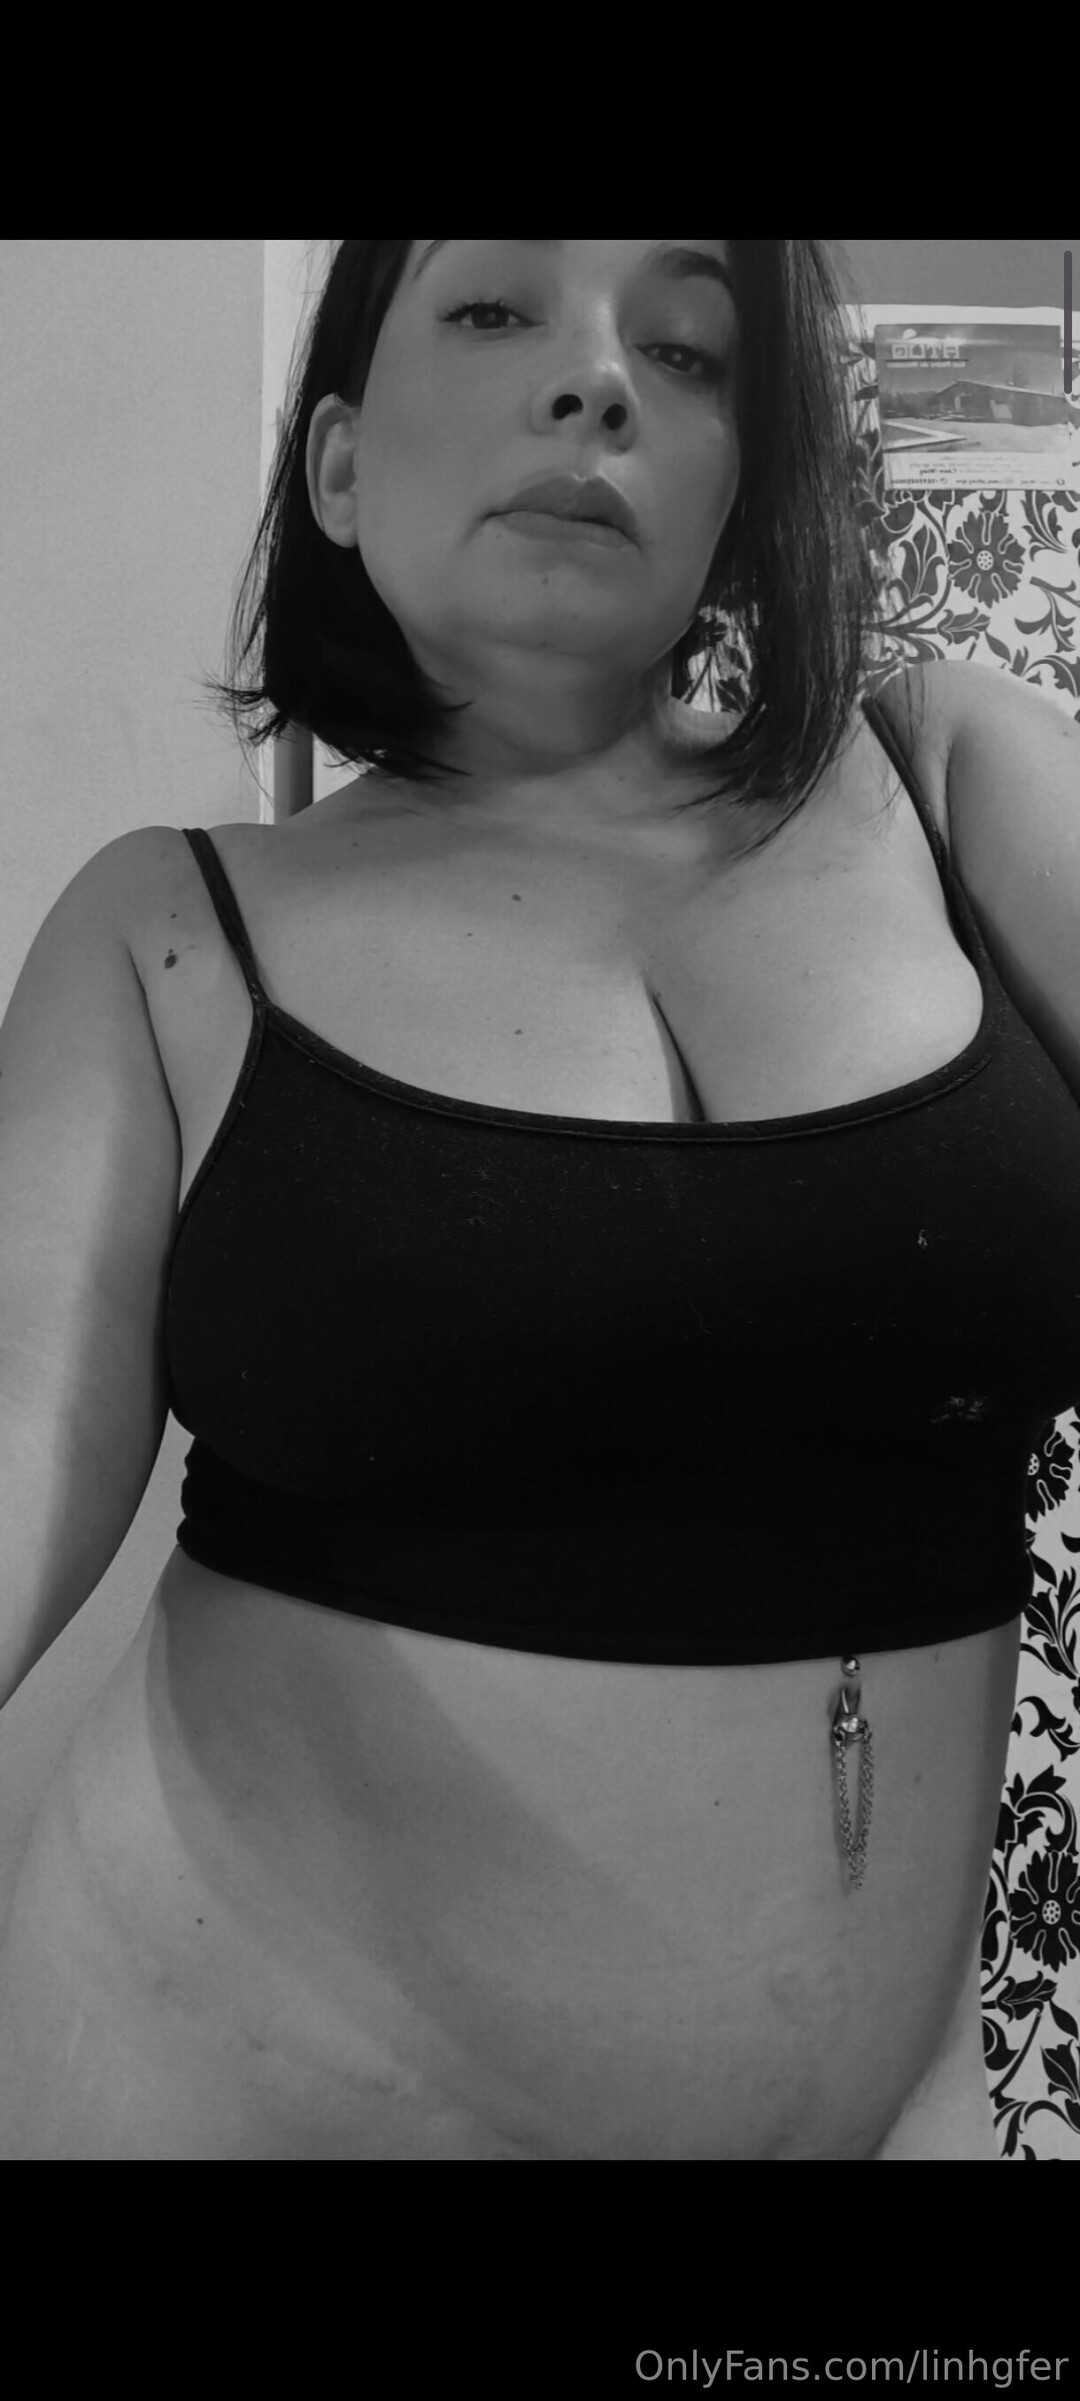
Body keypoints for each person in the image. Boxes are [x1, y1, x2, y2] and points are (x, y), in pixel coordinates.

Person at [2, 236, 1064, 2160]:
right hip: (231, 2097)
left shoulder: (951, 773)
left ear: (743, 481)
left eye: (688, 347)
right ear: (338, 464)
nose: (598, 381)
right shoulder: (166, 933)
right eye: (496, 310)